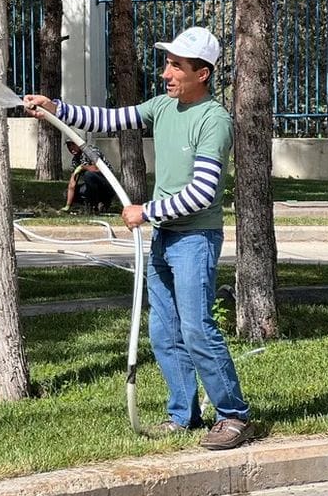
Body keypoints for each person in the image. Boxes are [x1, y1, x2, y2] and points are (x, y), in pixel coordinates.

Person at [24, 26, 252, 451]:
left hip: (195, 239)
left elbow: (203, 193)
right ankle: (183, 415)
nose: (166, 72)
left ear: (202, 73)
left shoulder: (214, 121)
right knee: (164, 332)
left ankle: (234, 415)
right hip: (165, 239)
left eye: (176, 66)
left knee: (198, 329)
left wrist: (145, 211)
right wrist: (56, 109)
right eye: (167, 63)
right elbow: (112, 118)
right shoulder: (163, 106)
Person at [62, 141, 115, 214]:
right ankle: (90, 205)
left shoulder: (91, 151)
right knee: (67, 193)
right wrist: (67, 206)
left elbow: (98, 168)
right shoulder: (75, 160)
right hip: (93, 187)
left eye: (73, 144)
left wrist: (83, 167)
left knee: (89, 175)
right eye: (69, 146)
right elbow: (72, 183)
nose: (71, 148)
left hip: (107, 185)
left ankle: (96, 205)